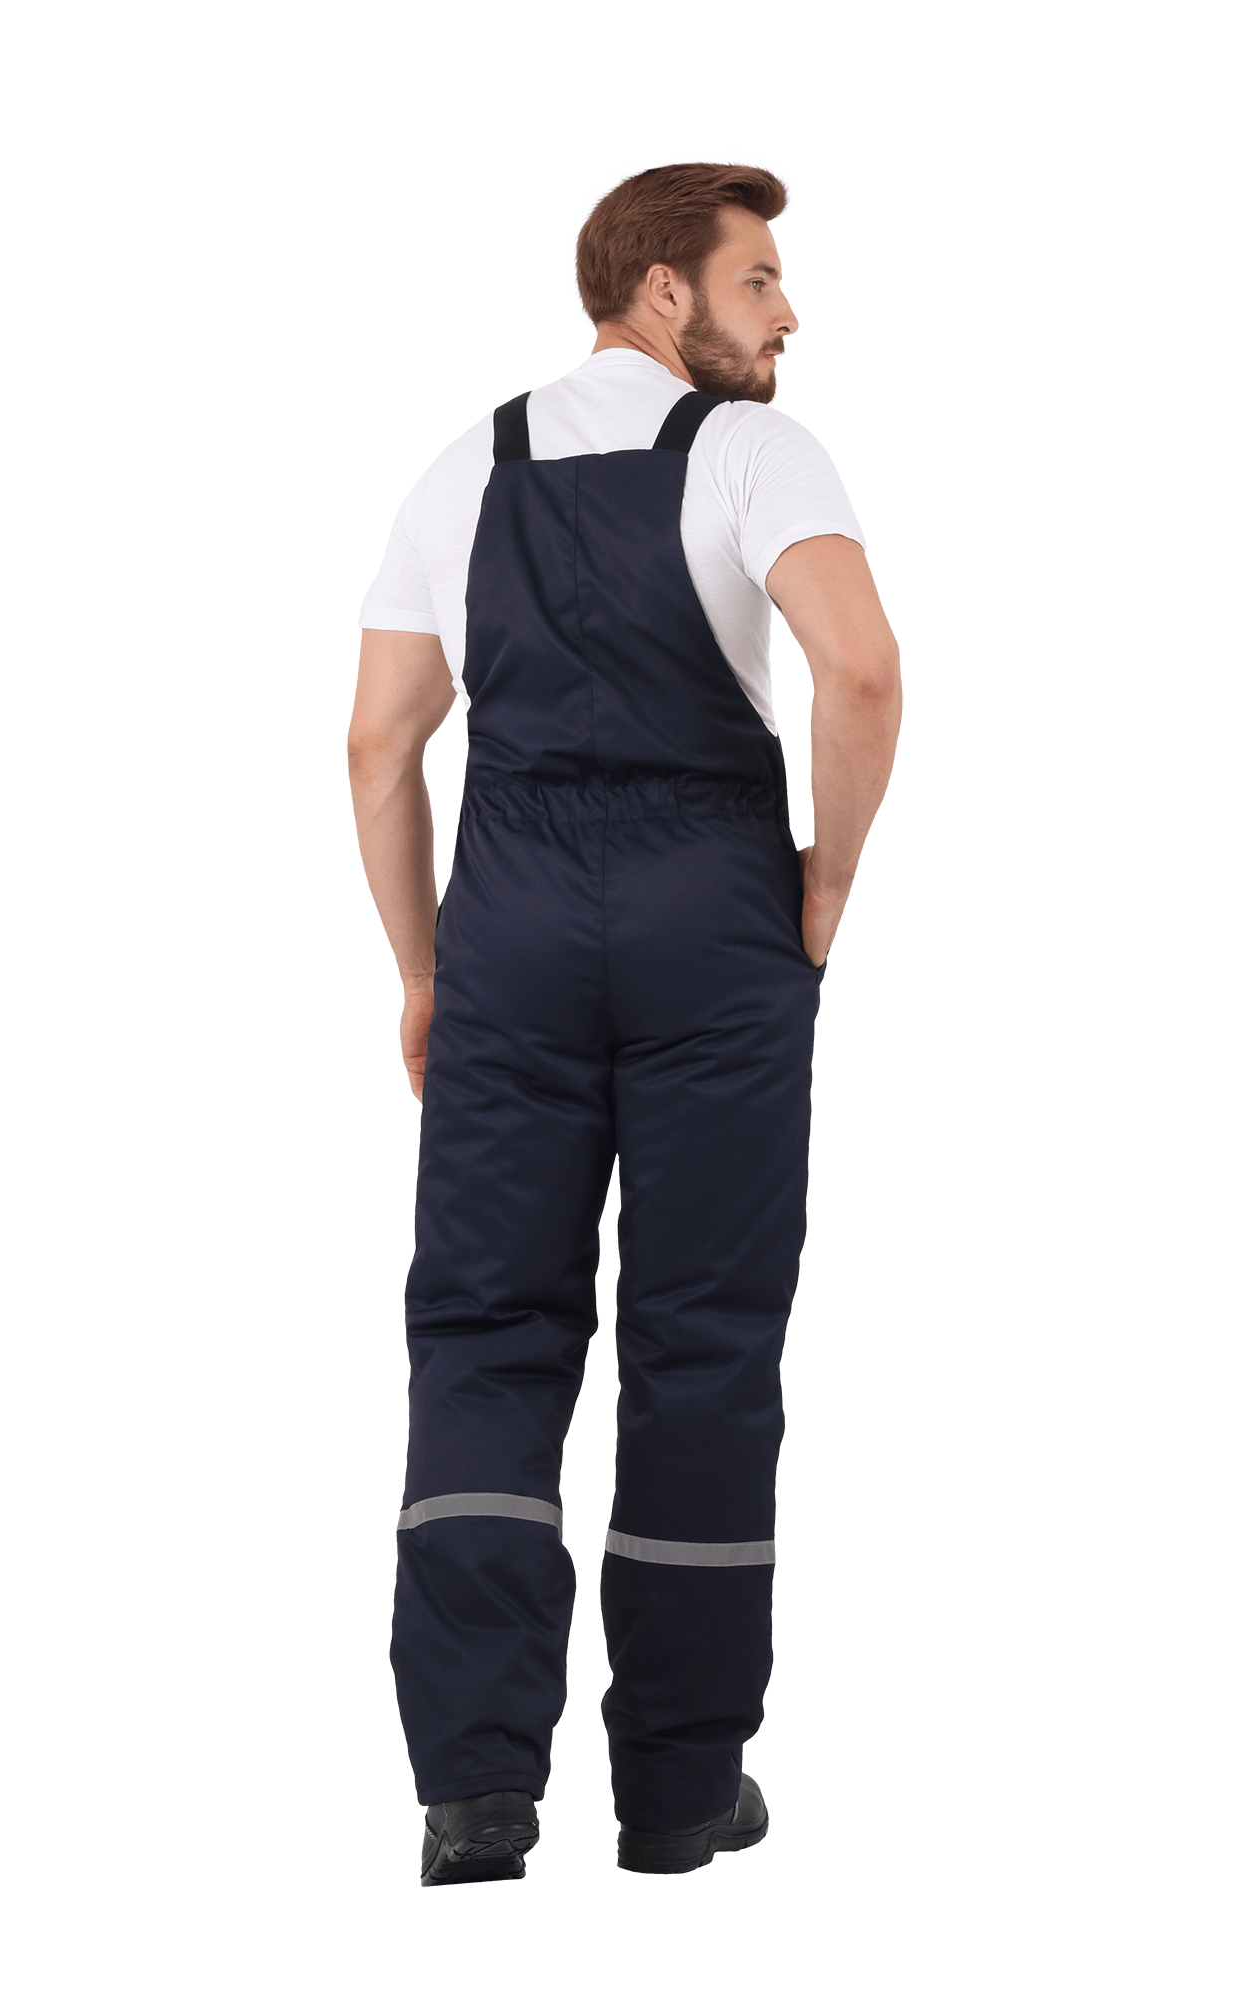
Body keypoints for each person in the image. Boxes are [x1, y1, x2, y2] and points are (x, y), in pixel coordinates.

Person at [347, 155, 903, 1886]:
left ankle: (473, 1791)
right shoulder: (756, 453)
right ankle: (674, 1795)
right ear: (664, 290)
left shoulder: (460, 466)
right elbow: (861, 669)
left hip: (510, 924)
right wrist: (827, 880)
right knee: (704, 1335)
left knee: (485, 1330)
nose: (787, 314)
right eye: (759, 280)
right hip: (711, 922)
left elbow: (377, 746)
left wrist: (426, 972)